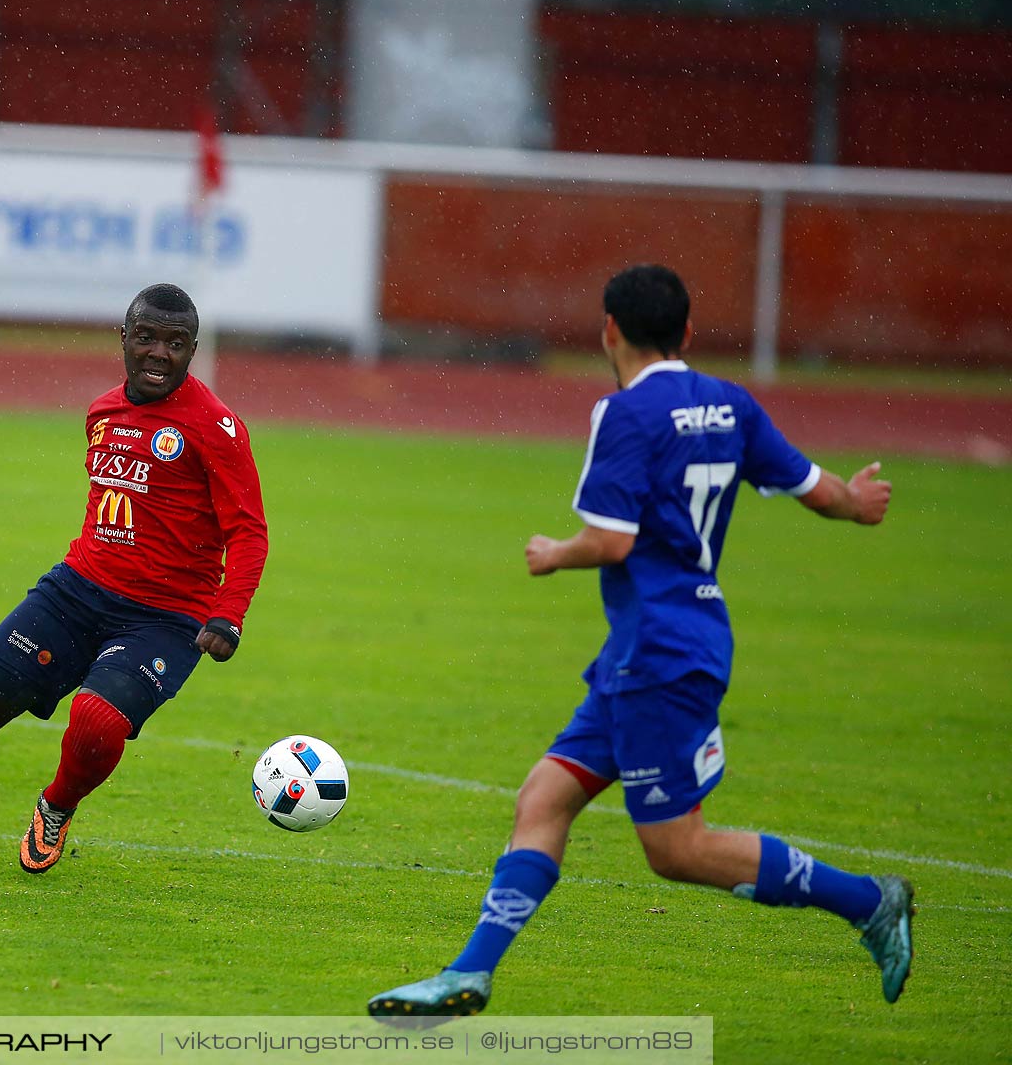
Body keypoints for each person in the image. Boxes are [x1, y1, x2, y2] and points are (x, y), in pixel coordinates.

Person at [368, 264, 911, 1020]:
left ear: (609, 330)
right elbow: (815, 488)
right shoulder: (731, 404)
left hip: (661, 653)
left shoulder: (623, 414)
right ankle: (469, 974)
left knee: (677, 850)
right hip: (654, 648)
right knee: (544, 797)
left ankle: (867, 901)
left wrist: (557, 551)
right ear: (688, 332)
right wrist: (859, 503)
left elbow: (613, 540)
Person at [0, 283, 268, 873]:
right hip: (77, 590)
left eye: (175, 344)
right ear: (124, 340)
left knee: (95, 721)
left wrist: (228, 614)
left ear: (193, 350)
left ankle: (57, 806)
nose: (158, 354)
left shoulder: (217, 428)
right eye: (145, 339)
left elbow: (249, 531)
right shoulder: (102, 412)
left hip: (166, 617)